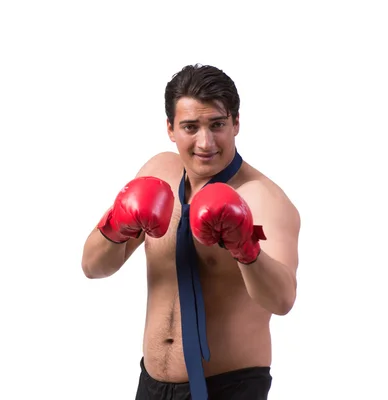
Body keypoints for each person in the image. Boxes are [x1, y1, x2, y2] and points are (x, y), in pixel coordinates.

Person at [81, 64, 300, 400]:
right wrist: (117, 225)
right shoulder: (157, 174)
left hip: (230, 387)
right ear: (170, 128)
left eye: (217, 125)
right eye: (190, 127)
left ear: (236, 124)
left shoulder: (263, 198)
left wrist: (246, 245)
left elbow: (283, 299)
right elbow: (93, 267)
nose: (205, 142)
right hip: (152, 384)